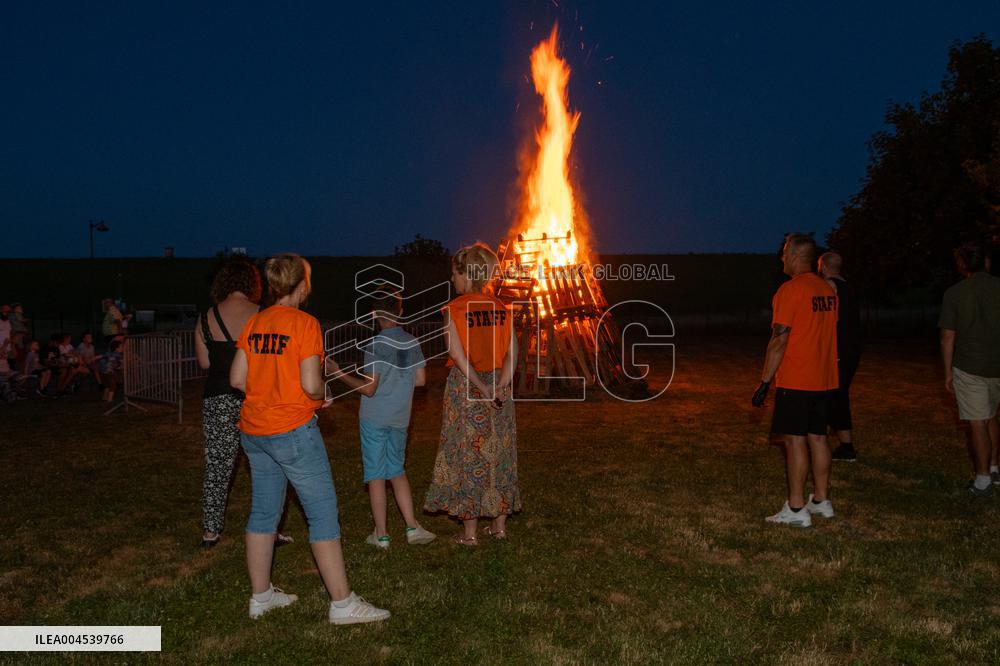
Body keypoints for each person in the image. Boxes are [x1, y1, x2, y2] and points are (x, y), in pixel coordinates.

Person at [230, 253, 389, 624]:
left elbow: (238, 378)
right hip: (292, 431)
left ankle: (261, 596)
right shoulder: (305, 324)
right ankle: (342, 604)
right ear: (302, 286)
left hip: (255, 431)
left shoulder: (255, 322)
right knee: (322, 515)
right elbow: (311, 383)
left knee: (264, 511)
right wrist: (317, 398)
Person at [424, 243, 520, 545]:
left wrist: (481, 388)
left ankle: (469, 534)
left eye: (454, 273)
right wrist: (501, 386)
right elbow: (511, 353)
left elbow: (457, 353)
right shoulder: (502, 309)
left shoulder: (454, 309)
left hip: (467, 387)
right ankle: (500, 526)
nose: (452, 279)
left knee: (467, 454)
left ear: (467, 275)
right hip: (499, 388)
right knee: (500, 454)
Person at [195, 257, 292, 549]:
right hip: (255, 398)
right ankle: (270, 530)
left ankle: (210, 532)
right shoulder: (262, 314)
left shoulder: (204, 318)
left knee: (218, 466)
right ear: (253, 284)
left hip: (217, 400)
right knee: (267, 466)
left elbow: (203, 363)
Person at [327, 288, 436, 549]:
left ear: (375, 314)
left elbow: (369, 388)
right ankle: (411, 527)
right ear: (400, 311)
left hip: (375, 418)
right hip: (400, 417)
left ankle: (382, 535)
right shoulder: (411, 341)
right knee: (396, 470)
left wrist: (339, 373)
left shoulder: (375, 345)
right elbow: (420, 380)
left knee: (376, 475)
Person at [752, 234, 839, 527]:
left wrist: (765, 381)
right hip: (825, 378)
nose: (781, 259)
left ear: (793, 256)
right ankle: (821, 500)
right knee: (819, 437)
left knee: (794, 441)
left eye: (783, 253)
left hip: (798, 378)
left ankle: (797, 507)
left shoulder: (790, 291)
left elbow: (779, 340)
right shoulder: (828, 289)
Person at [939, 240, 1000, 497]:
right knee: (992, 417)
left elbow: (947, 336)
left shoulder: (954, 293)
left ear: (962, 265)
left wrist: (948, 372)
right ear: (986, 261)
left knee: (978, 422)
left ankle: (983, 480)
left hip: (969, 366)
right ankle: (995, 467)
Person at [819, 251, 863, 462]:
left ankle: (847, 447)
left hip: (839, 349)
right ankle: (820, 437)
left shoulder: (830, 286)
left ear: (823, 266)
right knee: (834, 393)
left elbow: (828, 319)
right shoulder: (848, 287)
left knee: (836, 394)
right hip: (852, 348)